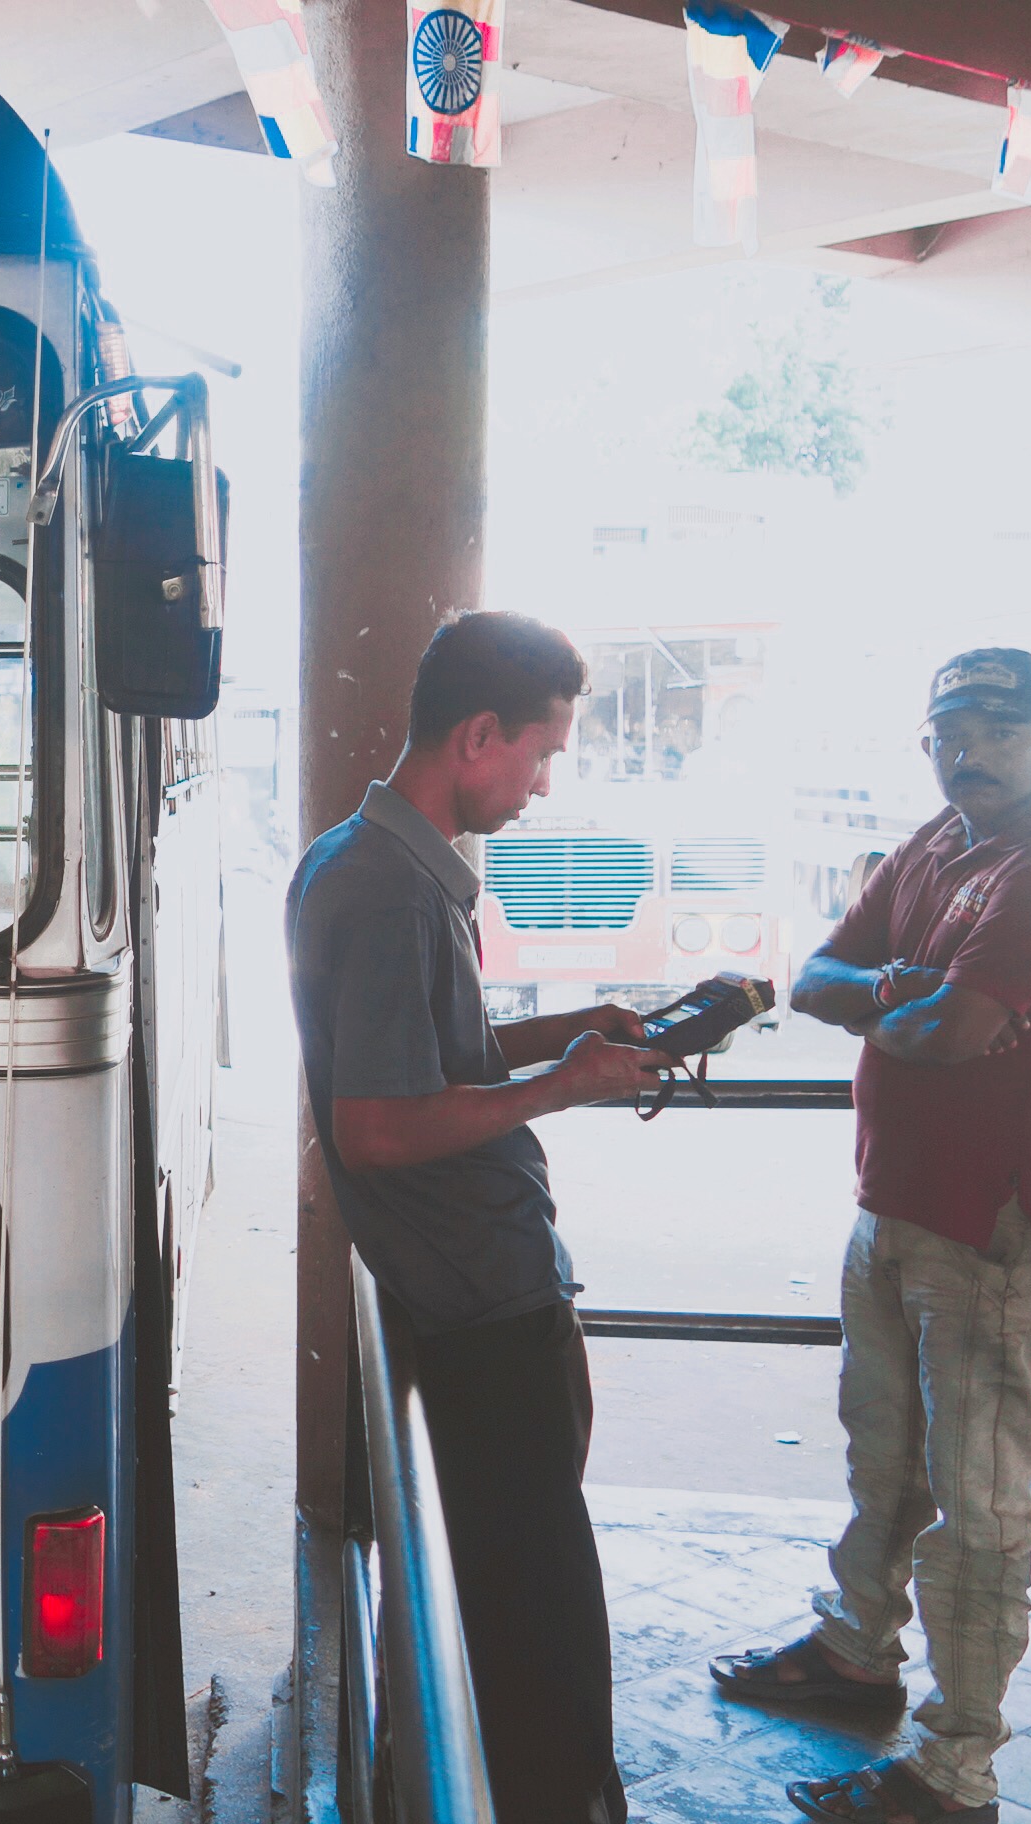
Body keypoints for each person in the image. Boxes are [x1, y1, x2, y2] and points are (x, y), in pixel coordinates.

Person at [287, 610, 667, 1824]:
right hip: (484, 1310)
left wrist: (569, 1033)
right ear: (480, 735)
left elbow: (431, 1060)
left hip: (471, 1293)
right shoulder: (392, 892)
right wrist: (564, 1087)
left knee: (509, 1604)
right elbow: (377, 1126)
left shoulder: (357, 858)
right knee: (540, 1632)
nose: (543, 785)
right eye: (542, 754)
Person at [711, 649, 1031, 1824]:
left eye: (1001, 731)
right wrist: (905, 991)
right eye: (951, 732)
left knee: (977, 1504)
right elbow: (814, 980)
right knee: (881, 1456)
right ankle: (856, 1651)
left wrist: (899, 1004)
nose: (970, 752)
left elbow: (955, 1031)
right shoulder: (937, 843)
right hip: (892, 1204)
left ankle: (955, 1770)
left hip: (990, 1225)